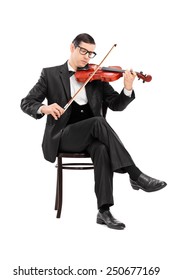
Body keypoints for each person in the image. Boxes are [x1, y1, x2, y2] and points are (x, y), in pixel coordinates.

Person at [21, 33, 167, 230]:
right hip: (62, 137)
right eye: (83, 51)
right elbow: (26, 102)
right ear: (72, 48)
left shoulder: (97, 76)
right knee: (98, 121)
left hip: (91, 136)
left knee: (101, 149)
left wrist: (127, 88)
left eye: (91, 53)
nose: (87, 57)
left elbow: (116, 105)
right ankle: (135, 174)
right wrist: (44, 108)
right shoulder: (50, 74)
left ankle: (104, 211)